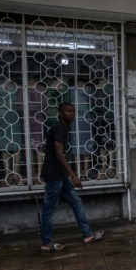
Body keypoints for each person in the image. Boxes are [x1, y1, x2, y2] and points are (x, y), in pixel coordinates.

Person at [40, 102, 104, 252]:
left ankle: (87, 234)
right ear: (61, 113)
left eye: (74, 111)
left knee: (76, 202)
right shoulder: (57, 128)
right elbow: (59, 154)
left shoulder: (64, 128)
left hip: (61, 176)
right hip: (54, 176)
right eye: (68, 111)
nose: (72, 114)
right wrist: (74, 175)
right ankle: (46, 243)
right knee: (48, 210)